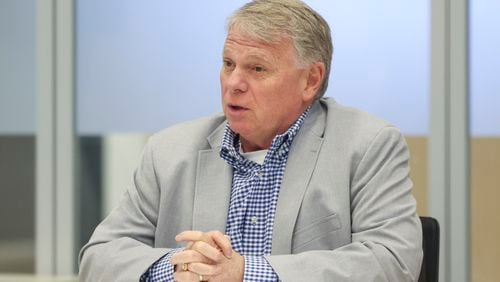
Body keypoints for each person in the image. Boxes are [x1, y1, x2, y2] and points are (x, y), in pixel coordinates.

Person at [79, 0, 423, 281]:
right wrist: (178, 266)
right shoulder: (169, 150)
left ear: (311, 80)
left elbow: (392, 262)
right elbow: (99, 256)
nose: (234, 83)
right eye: (229, 64)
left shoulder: (366, 146)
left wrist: (247, 273)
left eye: (257, 69)